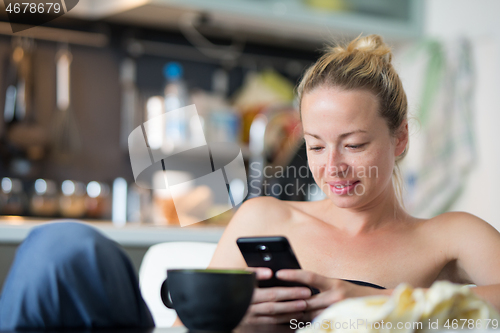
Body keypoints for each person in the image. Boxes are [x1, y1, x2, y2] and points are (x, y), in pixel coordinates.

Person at [206, 34, 500, 325]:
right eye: (316, 146)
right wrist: (238, 322)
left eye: (354, 145)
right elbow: (186, 324)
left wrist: (372, 300)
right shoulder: (262, 220)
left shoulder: (445, 238)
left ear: (400, 138)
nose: (333, 167)